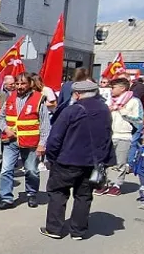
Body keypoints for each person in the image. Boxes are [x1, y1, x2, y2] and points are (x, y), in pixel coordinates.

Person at [41, 80, 114, 240]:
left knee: (58, 193)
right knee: (84, 195)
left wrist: (51, 157)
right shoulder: (104, 109)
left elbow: (55, 138)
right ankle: (78, 231)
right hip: (92, 162)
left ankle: (54, 228)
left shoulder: (71, 111)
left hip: (67, 160)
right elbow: (108, 136)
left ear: (77, 94)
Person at [0, 72, 50, 210]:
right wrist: (5, 128)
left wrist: (42, 144)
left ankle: (31, 194)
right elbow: (0, 117)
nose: (19, 86)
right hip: (11, 140)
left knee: (31, 170)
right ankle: (6, 198)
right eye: (17, 83)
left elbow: (45, 124)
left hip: (31, 142)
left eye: (23, 83)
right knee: (6, 170)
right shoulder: (10, 98)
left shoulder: (39, 100)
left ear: (30, 84)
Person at [98, 77, 143, 196]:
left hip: (124, 135)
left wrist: (123, 111)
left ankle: (117, 184)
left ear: (122, 88)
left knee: (120, 162)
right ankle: (103, 183)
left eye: (113, 87)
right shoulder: (108, 101)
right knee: (104, 161)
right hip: (108, 134)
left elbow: (139, 119)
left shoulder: (134, 101)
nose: (111, 90)